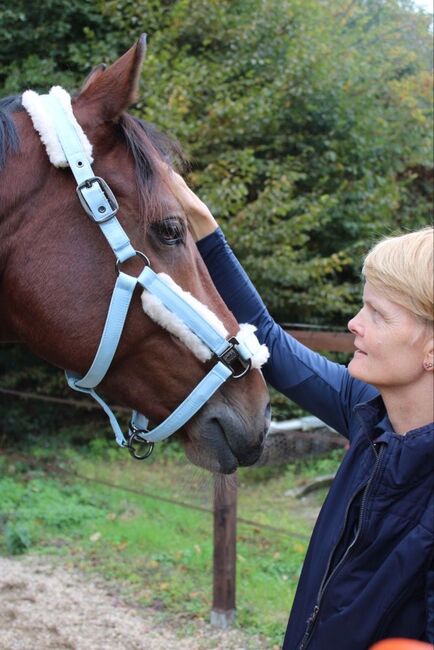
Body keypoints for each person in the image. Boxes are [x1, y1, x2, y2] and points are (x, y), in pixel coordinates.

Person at [171, 172, 434, 649]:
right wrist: (204, 229)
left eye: (377, 314)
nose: (354, 323)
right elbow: (267, 340)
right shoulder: (368, 410)